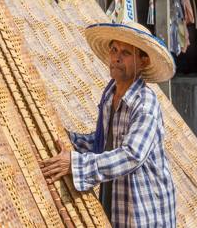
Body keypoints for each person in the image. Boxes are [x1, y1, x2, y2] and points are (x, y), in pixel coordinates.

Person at [41, 21, 176, 227]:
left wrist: (76, 164)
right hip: (118, 203)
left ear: (143, 61)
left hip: (146, 212)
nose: (117, 57)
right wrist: (66, 137)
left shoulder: (145, 102)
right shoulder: (110, 95)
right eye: (114, 50)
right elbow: (104, 142)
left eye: (126, 53)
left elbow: (131, 155)